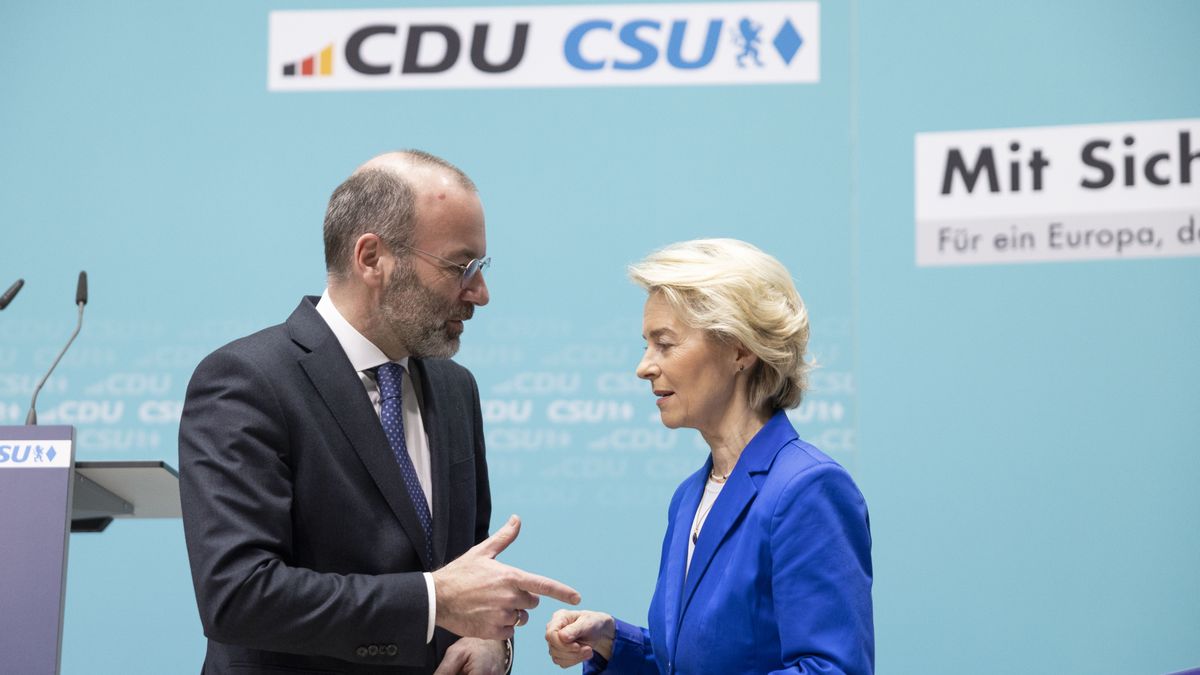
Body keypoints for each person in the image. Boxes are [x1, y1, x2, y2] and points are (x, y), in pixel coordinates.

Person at [179, 150, 579, 675]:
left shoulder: (455, 388)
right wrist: (433, 602)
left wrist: (487, 640)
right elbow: (239, 596)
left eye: (480, 268)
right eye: (462, 267)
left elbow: (466, 577)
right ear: (371, 258)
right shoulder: (248, 381)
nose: (479, 293)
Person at [544, 239, 874, 674]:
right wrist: (612, 643)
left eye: (665, 344)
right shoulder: (688, 497)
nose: (644, 367)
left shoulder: (807, 489)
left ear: (739, 349)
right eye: (647, 344)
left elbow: (833, 670)